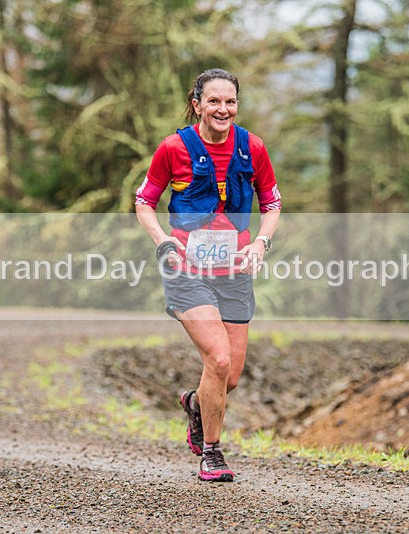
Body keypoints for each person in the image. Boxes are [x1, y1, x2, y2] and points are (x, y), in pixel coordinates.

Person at [135, 68, 281, 482]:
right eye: (214, 101)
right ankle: (212, 454)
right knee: (217, 359)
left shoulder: (253, 147)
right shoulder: (172, 148)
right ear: (197, 104)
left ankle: (197, 405)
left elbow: (271, 202)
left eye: (230, 101)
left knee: (229, 376)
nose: (223, 109)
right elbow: (144, 201)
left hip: (234, 270)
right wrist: (163, 240)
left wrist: (260, 244)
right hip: (186, 269)